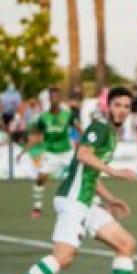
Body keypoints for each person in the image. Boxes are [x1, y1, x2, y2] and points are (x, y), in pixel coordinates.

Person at [1, 87, 137, 274]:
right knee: (64, 256)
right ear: (107, 106)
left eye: (126, 106)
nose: (122, 110)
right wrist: (114, 171)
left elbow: (90, 173)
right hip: (73, 200)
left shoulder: (111, 135)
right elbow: (82, 154)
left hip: (86, 201)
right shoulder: (99, 128)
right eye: (117, 105)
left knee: (126, 244)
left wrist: (110, 199)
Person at [26, 87, 79, 218]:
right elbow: (37, 135)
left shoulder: (67, 114)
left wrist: (87, 142)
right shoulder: (43, 118)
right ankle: (37, 208)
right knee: (40, 179)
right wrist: (24, 150)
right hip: (51, 154)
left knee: (82, 175)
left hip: (67, 152)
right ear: (49, 99)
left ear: (60, 99)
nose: (55, 99)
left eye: (57, 96)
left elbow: (79, 128)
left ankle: (96, 203)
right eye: (52, 96)